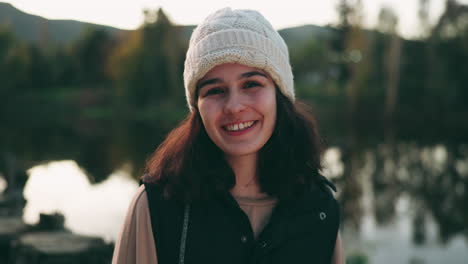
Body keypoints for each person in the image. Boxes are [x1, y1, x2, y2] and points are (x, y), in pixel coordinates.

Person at [112, 7, 344, 264]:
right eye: (215, 90)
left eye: (251, 84)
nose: (234, 106)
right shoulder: (155, 209)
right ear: (197, 108)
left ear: (279, 95)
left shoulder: (318, 210)